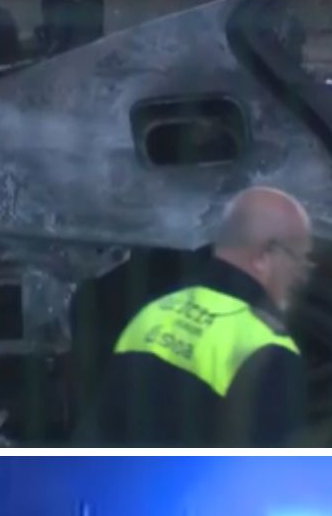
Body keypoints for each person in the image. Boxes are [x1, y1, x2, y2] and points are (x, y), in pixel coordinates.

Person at [82, 185, 315, 446]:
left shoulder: (155, 312)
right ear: (264, 256)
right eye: (299, 259)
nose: (302, 274)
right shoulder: (268, 350)